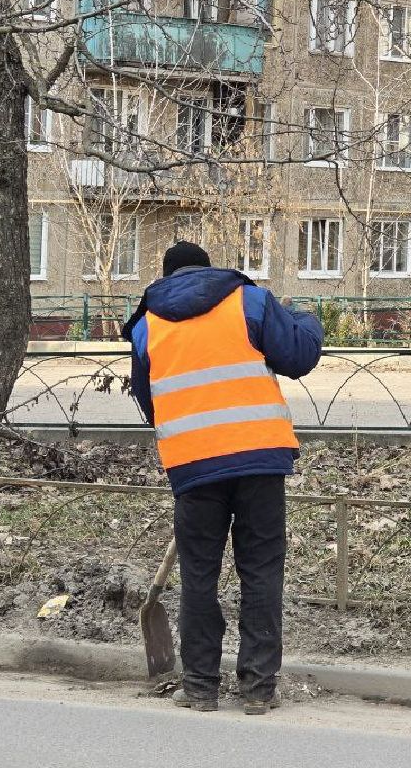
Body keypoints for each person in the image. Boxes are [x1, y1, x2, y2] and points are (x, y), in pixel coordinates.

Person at [122, 240, 324, 715]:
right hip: (258, 459)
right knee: (261, 570)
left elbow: (151, 403)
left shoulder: (145, 327)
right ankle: (257, 688)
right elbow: (298, 357)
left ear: (166, 276)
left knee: (199, 575)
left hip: (193, 465)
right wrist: (307, 321)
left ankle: (200, 686)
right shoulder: (249, 300)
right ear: (206, 272)